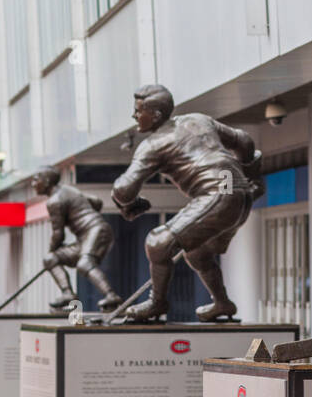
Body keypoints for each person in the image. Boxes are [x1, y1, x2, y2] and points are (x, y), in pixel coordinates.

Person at [111, 84, 264, 322]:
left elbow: (122, 190)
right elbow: (244, 141)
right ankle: (222, 303)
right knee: (197, 252)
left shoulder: (152, 144)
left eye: (138, 111)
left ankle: (157, 303)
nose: (134, 116)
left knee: (157, 242)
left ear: (157, 115)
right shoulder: (198, 120)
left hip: (217, 195)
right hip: (240, 194)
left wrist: (132, 203)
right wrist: (250, 175)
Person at [31, 167, 121, 312]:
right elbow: (96, 202)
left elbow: (58, 234)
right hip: (87, 236)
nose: (33, 184)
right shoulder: (70, 190)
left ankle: (111, 296)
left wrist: (53, 248)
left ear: (47, 181)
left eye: (36, 179)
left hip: (96, 231)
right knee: (50, 259)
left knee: (84, 263)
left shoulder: (54, 201)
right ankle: (68, 294)